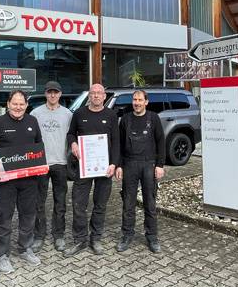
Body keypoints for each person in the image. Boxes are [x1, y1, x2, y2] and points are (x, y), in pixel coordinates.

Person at [0, 90, 45, 273]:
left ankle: (24, 248)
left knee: (28, 215)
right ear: (8, 103)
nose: (18, 107)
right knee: (5, 216)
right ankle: (2, 255)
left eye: (22, 104)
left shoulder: (32, 121)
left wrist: (41, 165)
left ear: (26, 105)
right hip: (6, 180)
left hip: (29, 180)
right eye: (15, 103)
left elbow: (38, 147)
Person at [64, 83, 120, 256]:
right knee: (79, 204)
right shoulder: (79, 114)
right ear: (89, 95)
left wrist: (114, 164)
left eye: (99, 93)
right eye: (93, 93)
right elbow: (71, 133)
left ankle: (95, 239)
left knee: (100, 205)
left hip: (105, 169)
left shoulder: (111, 115)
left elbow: (116, 142)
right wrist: (73, 143)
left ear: (104, 96)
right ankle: (80, 240)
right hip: (84, 167)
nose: (96, 96)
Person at [115, 90, 165, 253]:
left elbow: (161, 142)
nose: (136, 102)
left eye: (140, 100)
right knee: (128, 203)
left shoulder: (154, 118)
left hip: (148, 164)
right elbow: (119, 145)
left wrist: (160, 165)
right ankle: (127, 235)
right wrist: (119, 165)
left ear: (146, 102)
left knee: (150, 203)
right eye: (134, 99)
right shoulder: (126, 119)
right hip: (129, 164)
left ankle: (152, 237)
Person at [30, 81, 73, 252]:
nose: (53, 95)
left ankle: (59, 235)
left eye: (55, 92)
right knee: (38, 202)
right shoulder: (35, 113)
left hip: (60, 163)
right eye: (49, 92)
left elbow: (72, 137)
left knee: (60, 201)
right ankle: (39, 235)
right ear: (46, 94)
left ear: (60, 94)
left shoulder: (68, 114)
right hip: (41, 163)